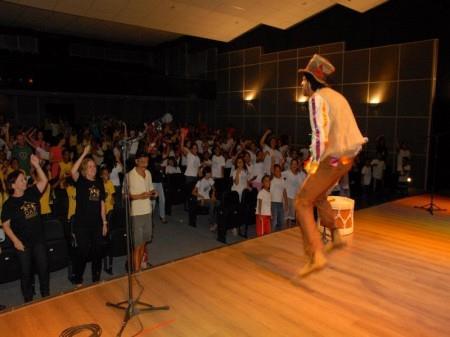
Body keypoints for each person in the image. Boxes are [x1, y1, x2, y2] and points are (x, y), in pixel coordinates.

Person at [295, 54, 367, 277]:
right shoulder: (337, 96)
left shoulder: (316, 99)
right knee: (318, 195)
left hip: (331, 159)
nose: (301, 84)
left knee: (301, 202)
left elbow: (319, 135)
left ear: (311, 80)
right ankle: (335, 235)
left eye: (303, 80)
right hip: (346, 160)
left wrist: (313, 164)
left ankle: (315, 255)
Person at [1, 154, 49, 302]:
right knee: (26, 272)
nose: (25, 180)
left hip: (38, 239)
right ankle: (28, 299)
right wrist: (15, 241)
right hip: (23, 243)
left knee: (43, 268)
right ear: (13, 185)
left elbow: (45, 180)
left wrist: (36, 165)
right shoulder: (9, 204)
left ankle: (46, 295)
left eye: (24, 178)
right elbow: (5, 225)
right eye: (21, 179)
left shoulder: (31, 192)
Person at [70, 145, 108, 286]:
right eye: (90, 166)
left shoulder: (99, 182)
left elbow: (102, 203)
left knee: (98, 250)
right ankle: (77, 278)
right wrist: (84, 153)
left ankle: (96, 278)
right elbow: (73, 170)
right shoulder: (81, 181)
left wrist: (104, 222)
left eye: (94, 166)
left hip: (97, 223)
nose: (93, 168)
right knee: (83, 251)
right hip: (82, 224)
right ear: (85, 169)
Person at [128, 150, 157, 272]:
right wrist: (141, 196)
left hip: (147, 211)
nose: (145, 162)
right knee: (137, 245)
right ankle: (136, 272)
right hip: (136, 213)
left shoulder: (148, 173)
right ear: (136, 161)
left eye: (147, 160)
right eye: (142, 160)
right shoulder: (129, 175)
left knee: (144, 242)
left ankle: (139, 267)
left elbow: (151, 189)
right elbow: (126, 195)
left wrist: (153, 193)